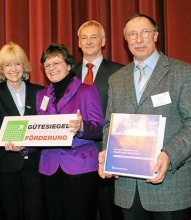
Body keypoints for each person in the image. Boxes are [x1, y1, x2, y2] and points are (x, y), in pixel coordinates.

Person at [98, 14, 191, 220]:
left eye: (144, 32)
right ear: (125, 39)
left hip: (169, 185)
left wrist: (169, 154)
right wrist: (108, 151)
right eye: (132, 34)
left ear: (156, 36)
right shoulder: (116, 79)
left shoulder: (182, 73)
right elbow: (109, 124)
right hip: (128, 188)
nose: (138, 39)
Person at [37, 43, 105, 220]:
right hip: (49, 167)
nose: (51, 68)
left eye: (56, 63)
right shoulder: (40, 96)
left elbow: (99, 127)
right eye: (47, 65)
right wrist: (22, 146)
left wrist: (82, 127)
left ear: (68, 66)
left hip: (80, 167)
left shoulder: (87, 90)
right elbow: (39, 133)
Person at [0, 42, 44, 220]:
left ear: (24, 66)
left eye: (17, 63)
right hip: (7, 166)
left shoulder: (40, 92)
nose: (13, 69)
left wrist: (28, 143)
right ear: (1, 69)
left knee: (36, 214)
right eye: (7, 64)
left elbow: (45, 125)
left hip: (35, 166)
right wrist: (8, 142)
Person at [75, 20, 124, 220]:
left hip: (107, 152)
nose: (89, 42)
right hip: (76, 155)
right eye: (84, 37)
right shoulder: (68, 74)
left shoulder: (120, 72)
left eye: (94, 37)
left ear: (103, 41)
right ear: (78, 43)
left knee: (109, 211)